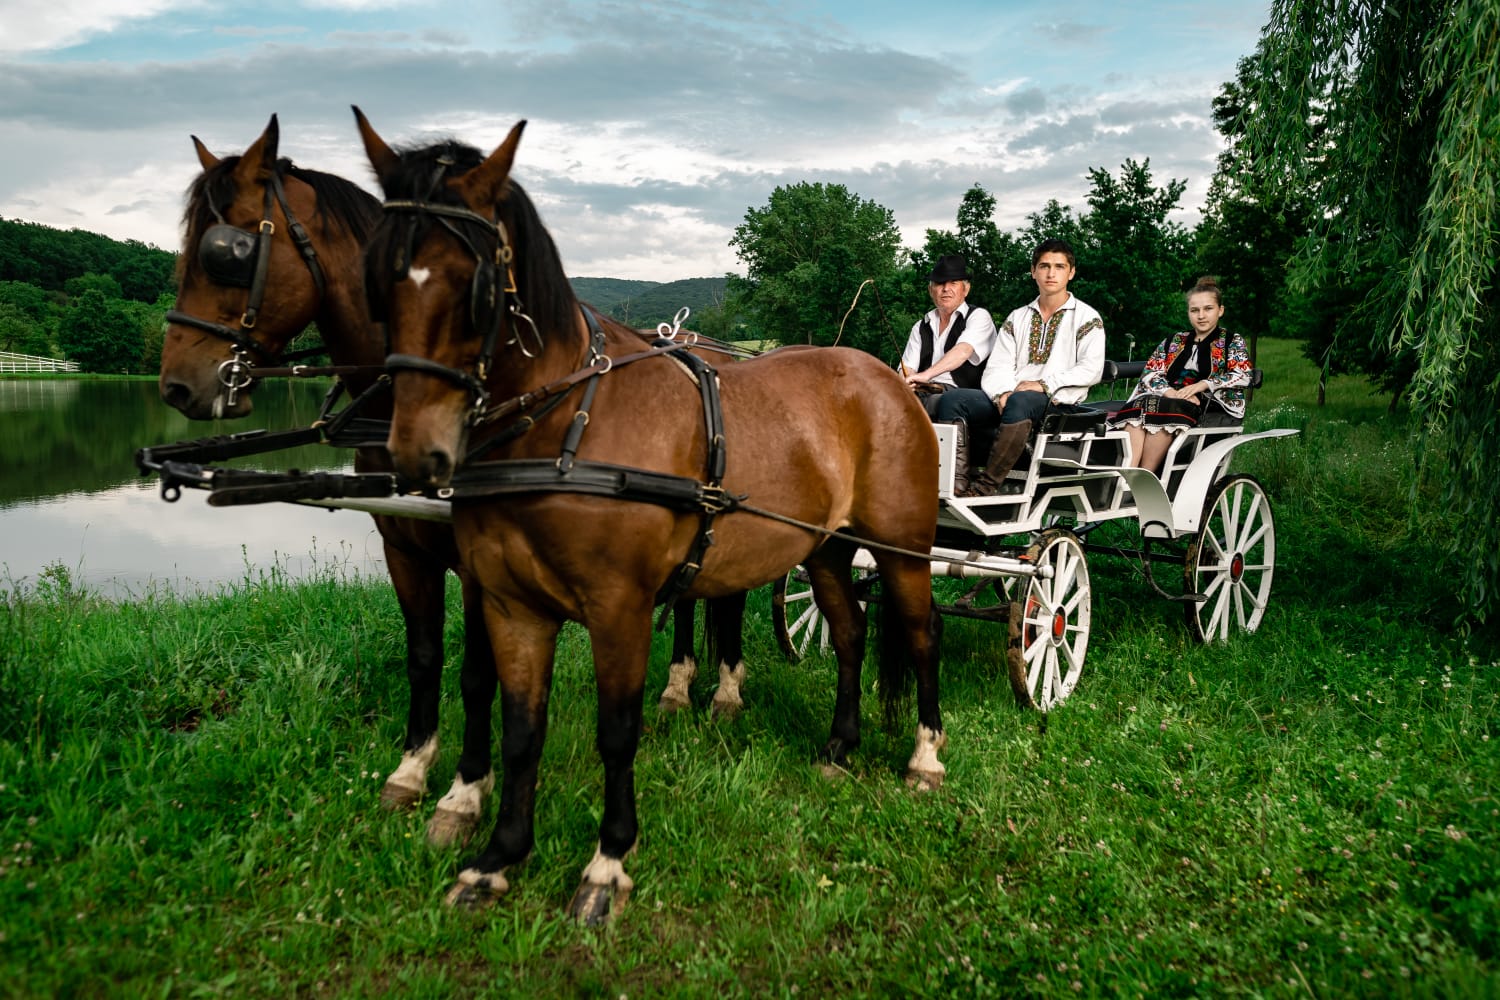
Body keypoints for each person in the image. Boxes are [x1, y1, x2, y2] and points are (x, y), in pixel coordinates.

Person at [931, 238, 1104, 496]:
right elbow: (996, 367)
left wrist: (1043, 384)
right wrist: (1002, 393)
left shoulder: (1087, 317)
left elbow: (1091, 369)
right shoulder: (1018, 317)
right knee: (953, 400)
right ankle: (954, 485)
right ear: (1034, 271)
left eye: (1059, 266)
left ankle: (986, 487)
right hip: (1012, 398)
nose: (1051, 273)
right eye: (1044, 266)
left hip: (1057, 402)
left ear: (1071, 272)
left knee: (1022, 400)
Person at [1109, 276, 1253, 474]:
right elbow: (1150, 372)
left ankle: (1145, 475)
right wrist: (1170, 392)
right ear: (1188, 312)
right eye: (1195, 310)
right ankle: (1126, 474)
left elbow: (1243, 373)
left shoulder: (1231, 341)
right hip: (1169, 397)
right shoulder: (1175, 340)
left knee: (1163, 408)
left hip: (1209, 405)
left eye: (1208, 309)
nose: (1201, 315)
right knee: (1137, 406)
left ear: (1220, 310)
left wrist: (1202, 385)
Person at [900, 255, 997, 417]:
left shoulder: (978, 316)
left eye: (953, 283)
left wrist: (925, 376)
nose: (946, 289)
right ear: (931, 290)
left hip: (965, 395)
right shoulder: (920, 326)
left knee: (937, 401)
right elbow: (907, 367)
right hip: (924, 391)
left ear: (966, 289)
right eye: (939, 283)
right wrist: (906, 380)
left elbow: (963, 351)